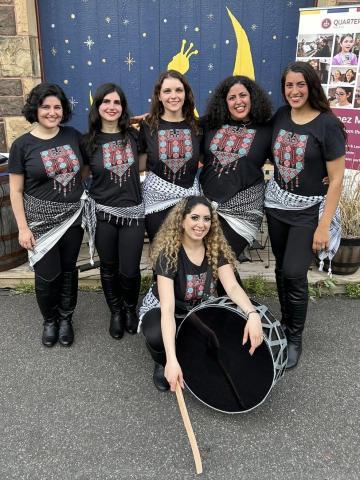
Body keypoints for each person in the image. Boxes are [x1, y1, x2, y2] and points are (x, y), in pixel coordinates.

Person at [265, 61, 346, 369]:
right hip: (277, 206)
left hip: (308, 212)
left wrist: (324, 225)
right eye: (289, 85)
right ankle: (284, 323)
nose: (294, 91)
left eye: (301, 84)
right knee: (281, 270)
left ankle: (294, 338)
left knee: (295, 273)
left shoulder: (327, 124)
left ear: (311, 86)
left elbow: (336, 179)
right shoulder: (282, 116)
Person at [139, 196, 264, 391]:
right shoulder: (168, 253)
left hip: (200, 307)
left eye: (207, 219)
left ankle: (186, 347)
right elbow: (168, 308)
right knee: (157, 335)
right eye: (195, 217)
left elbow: (231, 287)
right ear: (182, 220)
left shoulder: (215, 248)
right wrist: (171, 360)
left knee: (223, 339)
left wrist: (252, 314)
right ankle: (162, 362)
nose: (201, 224)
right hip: (168, 309)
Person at [8, 83, 88, 347]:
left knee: (68, 270)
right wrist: (22, 228)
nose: (52, 112)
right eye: (46, 107)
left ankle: (66, 318)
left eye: (57, 107)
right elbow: (16, 191)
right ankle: (50, 321)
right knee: (46, 274)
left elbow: (85, 169)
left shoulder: (73, 136)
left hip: (72, 219)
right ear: (35, 109)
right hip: (39, 222)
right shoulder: (22, 145)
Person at [83, 83, 144, 338]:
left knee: (129, 269)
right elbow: (82, 176)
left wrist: (143, 118)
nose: (111, 107)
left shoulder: (134, 136)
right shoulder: (87, 142)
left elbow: (142, 169)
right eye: (105, 102)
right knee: (108, 267)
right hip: (102, 214)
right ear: (97, 107)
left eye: (116, 102)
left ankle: (131, 309)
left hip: (132, 212)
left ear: (123, 107)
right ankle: (116, 312)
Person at [200, 76, 272, 259]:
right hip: (205, 208)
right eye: (232, 98)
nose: (238, 101)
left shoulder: (266, 129)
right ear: (225, 102)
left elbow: (288, 155)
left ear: (252, 98)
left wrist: (324, 174)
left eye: (243, 95)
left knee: (218, 261)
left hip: (243, 211)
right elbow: (176, 123)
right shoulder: (209, 124)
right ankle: (232, 289)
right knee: (212, 266)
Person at [138, 70, 202, 242]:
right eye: (167, 91)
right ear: (159, 96)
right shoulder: (147, 126)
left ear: (186, 94)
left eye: (178, 90)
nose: (173, 96)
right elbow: (140, 163)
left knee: (188, 258)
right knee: (161, 260)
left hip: (189, 202)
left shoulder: (197, 126)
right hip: (156, 204)